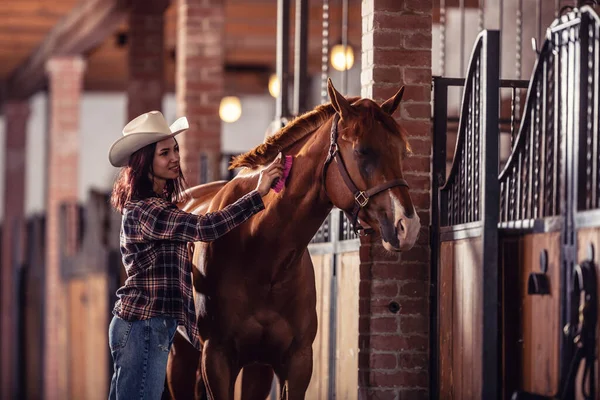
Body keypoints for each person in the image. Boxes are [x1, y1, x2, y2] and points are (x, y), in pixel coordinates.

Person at [106, 111, 283, 400]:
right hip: (143, 325)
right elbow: (205, 227)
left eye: (175, 149)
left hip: (147, 324)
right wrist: (258, 192)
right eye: (164, 153)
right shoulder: (147, 210)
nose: (175, 157)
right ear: (143, 162)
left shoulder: (157, 205)